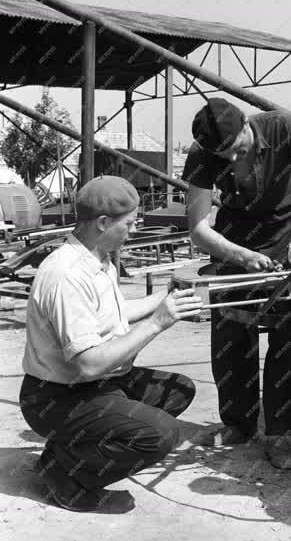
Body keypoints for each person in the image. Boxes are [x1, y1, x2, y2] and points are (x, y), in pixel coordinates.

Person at [182, 98, 291, 469]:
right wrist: (240, 256)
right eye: (220, 155)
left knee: (285, 337)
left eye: (235, 149)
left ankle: (280, 434)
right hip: (232, 244)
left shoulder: (281, 126)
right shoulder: (203, 154)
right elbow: (198, 228)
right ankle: (238, 425)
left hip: (287, 241)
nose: (229, 160)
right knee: (229, 332)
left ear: (246, 124)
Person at [20, 175, 203, 512]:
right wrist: (158, 322)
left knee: (177, 391)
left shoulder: (98, 260)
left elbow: (114, 314)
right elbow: (88, 363)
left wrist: (168, 297)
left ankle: (67, 450)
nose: (133, 231)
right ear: (103, 223)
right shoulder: (67, 276)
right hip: (55, 397)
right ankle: (63, 472)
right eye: (129, 223)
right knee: (161, 434)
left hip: (91, 384)